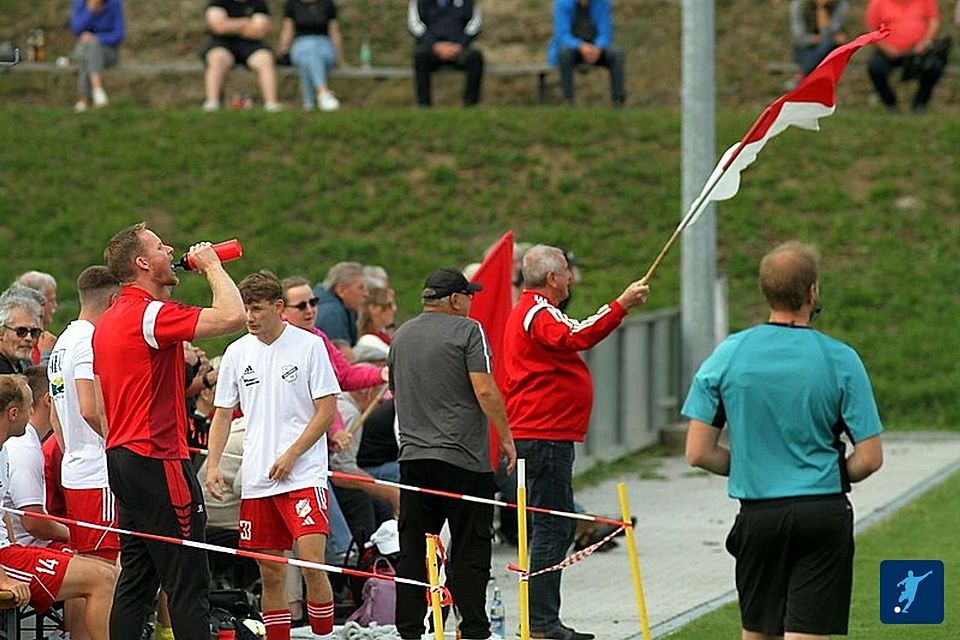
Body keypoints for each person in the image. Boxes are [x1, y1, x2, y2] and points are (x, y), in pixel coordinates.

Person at [683, 241, 884, 640]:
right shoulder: (840, 358)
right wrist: (829, 473)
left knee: (757, 632)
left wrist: (750, 466)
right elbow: (871, 457)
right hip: (821, 512)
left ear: (765, 291)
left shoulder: (729, 355)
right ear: (812, 292)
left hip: (759, 516)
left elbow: (698, 453)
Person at [93, 222, 246, 640]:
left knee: (138, 580)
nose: (173, 249)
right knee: (188, 581)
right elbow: (233, 315)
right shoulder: (148, 314)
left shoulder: (110, 318)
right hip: (157, 456)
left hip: (122, 456)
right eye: (162, 247)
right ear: (143, 263)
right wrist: (213, 266)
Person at [502, 244, 649, 640]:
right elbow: (578, 335)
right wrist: (621, 304)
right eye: (566, 270)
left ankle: (543, 620)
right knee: (552, 528)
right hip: (544, 433)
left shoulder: (532, 310)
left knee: (554, 525)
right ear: (552, 278)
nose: (570, 276)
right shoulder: (539, 311)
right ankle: (542, 624)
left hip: (545, 432)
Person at [206, 270, 342, 640]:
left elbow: (326, 410)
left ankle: (324, 634)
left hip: (304, 474)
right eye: (246, 309)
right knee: (271, 573)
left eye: (257, 309)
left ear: (278, 308)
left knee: (313, 564)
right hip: (258, 478)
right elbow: (222, 414)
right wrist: (214, 464)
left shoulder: (309, 346)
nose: (249, 316)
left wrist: (293, 454)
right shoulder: (237, 352)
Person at [389, 267, 516, 640]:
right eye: (469, 297)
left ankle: (409, 631)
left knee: (413, 552)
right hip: (463, 459)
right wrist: (505, 436)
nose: (472, 304)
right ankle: (474, 629)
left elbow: (397, 391)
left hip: (413, 459)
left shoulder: (400, 336)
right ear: (456, 299)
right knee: (469, 550)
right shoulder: (468, 330)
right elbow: (486, 389)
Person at [0, 374, 118, 640]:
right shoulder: (21, 450)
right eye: (29, 408)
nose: (32, 415)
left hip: (10, 550)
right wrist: (3, 578)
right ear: (13, 413)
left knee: (104, 571)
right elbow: (33, 521)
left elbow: (4, 514)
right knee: (101, 577)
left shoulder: (5, 450)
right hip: (4, 558)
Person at [47, 266, 122, 562]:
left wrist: (72, 454)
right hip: (97, 472)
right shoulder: (91, 339)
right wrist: (120, 445)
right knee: (106, 570)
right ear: (114, 301)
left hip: (76, 470)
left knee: (87, 572)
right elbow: (89, 407)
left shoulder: (62, 342)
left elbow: (55, 416)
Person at [200, 0, 283, 112]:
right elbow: (219, 27)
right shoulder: (218, 2)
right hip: (222, 43)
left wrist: (230, 24)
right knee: (217, 58)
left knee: (265, 59)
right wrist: (246, 23)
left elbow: (260, 31)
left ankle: (271, 103)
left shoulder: (258, 3)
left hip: (251, 44)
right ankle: (212, 102)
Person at [865, 0, 945, 113]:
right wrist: (886, 48)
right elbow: (872, 28)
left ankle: (920, 104)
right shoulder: (878, 3)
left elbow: (934, 22)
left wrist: (924, 42)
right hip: (888, 52)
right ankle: (891, 105)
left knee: (935, 67)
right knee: (875, 68)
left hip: (919, 51)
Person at [548, 0, 625, 106]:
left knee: (617, 53)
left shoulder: (602, 3)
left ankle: (618, 101)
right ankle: (568, 100)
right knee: (564, 53)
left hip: (596, 48)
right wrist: (581, 46)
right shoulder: (562, 3)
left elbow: (606, 31)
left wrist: (598, 47)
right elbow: (562, 34)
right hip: (573, 47)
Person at [407, 0, 484, 107]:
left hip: (459, 48)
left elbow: (475, 22)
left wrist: (460, 44)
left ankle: (471, 104)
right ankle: (424, 105)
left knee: (474, 57)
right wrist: (435, 45)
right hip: (432, 49)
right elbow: (414, 24)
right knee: (420, 56)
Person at [277, 0, 344, 111]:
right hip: (300, 44)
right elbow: (287, 30)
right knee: (309, 50)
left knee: (308, 57)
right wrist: (281, 52)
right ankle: (323, 93)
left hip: (324, 45)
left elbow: (334, 31)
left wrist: (339, 58)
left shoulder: (327, 4)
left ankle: (309, 104)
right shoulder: (292, 4)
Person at [69, 0, 125, 113]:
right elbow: (76, 29)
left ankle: (84, 99)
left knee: (92, 47)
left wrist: (96, 38)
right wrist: (90, 11)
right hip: (83, 49)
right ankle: (97, 90)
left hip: (108, 53)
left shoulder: (114, 4)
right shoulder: (79, 3)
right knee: (88, 50)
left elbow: (119, 34)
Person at [314, 262, 369, 345]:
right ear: (341, 290)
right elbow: (344, 355)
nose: (366, 294)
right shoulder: (332, 314)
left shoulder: (342, 307)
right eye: (360, 288)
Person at [790, 0, 849, 77]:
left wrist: (821, 9)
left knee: (828, 45)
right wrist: (825, 38)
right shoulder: (799, 4)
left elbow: (831, 30)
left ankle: (801, 76)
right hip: (805, 49)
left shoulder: (840, 4)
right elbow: (800, 38)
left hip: (829, 50)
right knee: (828, 43)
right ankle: (803, 75)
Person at [15, 271, 60, 364]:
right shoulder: (22, 342)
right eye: (51, 300)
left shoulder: (43, 340)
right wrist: (47, 356)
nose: (55, 305)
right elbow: (33, 378)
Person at [0, 295, 43, 375]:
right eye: (21, 331)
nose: (29, 338)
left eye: (34, 332)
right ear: (1, 332)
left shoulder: (19, 365)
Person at [356, 285, 397, 354]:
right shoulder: (368, 340)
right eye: (389, 305)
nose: (394, 309)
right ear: (373, 308)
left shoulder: (384, 336)